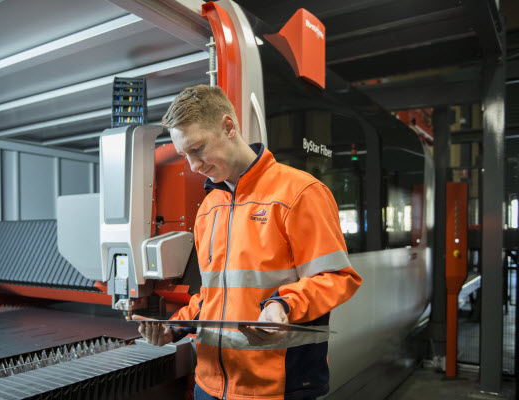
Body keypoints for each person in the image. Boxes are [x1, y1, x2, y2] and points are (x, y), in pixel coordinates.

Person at [138, 85, 362, 399]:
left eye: (198, 148)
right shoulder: (209, 208)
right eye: (184, 155)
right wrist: (172, 327)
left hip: (277, 388)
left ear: (229, 127)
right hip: (209, 386)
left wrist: (282, 304)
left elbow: (338, 278)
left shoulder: (298, 193)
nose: (193, 165)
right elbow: (212, 296)